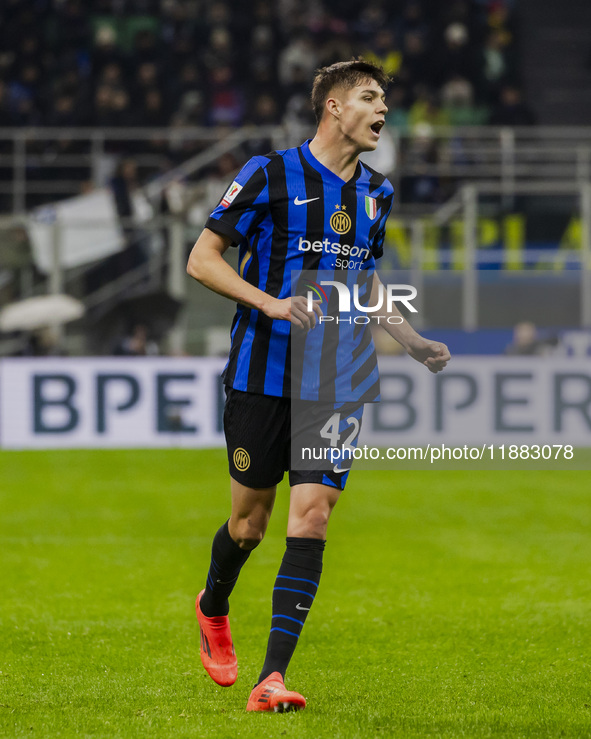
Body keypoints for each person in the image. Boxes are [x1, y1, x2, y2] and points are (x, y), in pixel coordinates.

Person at [186, 59, 450, 713]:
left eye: (384, 98)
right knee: (248, 524)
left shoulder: (377, 193)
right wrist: (268, 303)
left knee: (312, 516)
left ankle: (269, 678)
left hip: (337, 376)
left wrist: (409, 338)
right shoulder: (267, 174)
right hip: (262, 372)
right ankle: (212, 603)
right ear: (333, 108)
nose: (382, 108)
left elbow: (363, 280)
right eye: (368, 97)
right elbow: (201, 258)